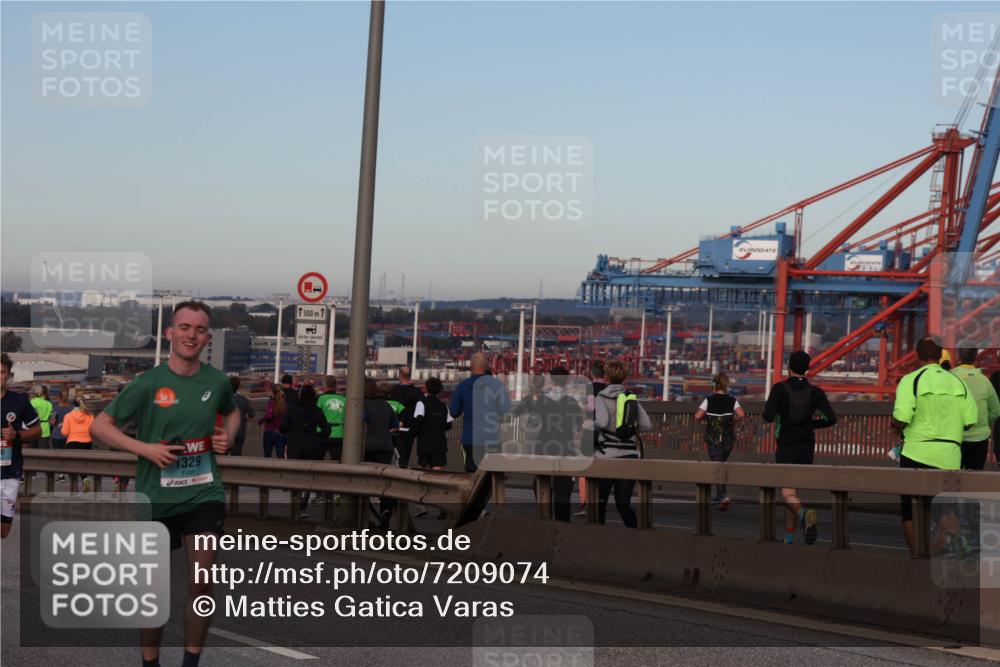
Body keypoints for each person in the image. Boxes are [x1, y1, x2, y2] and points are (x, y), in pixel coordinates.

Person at [91, 300, 239, 667]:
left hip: (204, 493)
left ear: (207, 337)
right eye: (184, 327)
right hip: (155, 496)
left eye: (200, 329)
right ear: (169, 333)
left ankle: (191, 662)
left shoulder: (217, 381)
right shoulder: (148, 384)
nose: (191, 335)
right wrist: (144, 448)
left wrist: (229, 436)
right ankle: (150, 662)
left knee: (202, 584)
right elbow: (100, 426)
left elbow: (233, 411)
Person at [892, 336, 978, 556]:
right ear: (941, 355)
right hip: (950, 455)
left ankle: (918, 557)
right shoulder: (958, 383)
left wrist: (896, 426)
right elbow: (970, 421)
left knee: (910, 512)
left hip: (916, 453)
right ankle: (943, 553)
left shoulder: (911, 380)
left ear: (917, 355)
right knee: (945, 511)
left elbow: (901, 417)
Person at [763, 350, 837, 545]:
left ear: (789, 367)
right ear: (807, 369)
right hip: (806, 446)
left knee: (787, 493)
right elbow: (832, 419)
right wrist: (812, 424)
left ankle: (804, 514)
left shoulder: (780, 389)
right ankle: (788, 537)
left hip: (786, 444)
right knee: (793, 493)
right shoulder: (816, 392)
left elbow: (768, 416)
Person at [593, 360, 650, 528]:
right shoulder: (631, 398)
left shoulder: (601, 397)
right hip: (629, 455)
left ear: (606, 377)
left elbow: (602, 422)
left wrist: (589, 424)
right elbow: (647, 425)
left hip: (607, 456)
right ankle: (637, 537)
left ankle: (597, 536)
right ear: (624, 378)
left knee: (600, 502)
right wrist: (628, 428)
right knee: (623, 503)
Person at [1, 353, 41, 538]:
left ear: (8, 374)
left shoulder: (19, 401)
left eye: (1, 372)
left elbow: (37, 430)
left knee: (4, 529)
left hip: (9, 470)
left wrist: (16, 435)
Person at [450, 352, 511, 472]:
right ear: (486, 367)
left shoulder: (463, 386)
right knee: (491, 476)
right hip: (492, 439)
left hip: (470, 440)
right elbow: (505, 408)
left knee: (472, 477)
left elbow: (453, 412)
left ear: (471, 367)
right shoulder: (496, 385)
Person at [694, 373, 745, 511]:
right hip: (729, 439)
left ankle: (722, 497)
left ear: (714, 385)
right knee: (720, 464)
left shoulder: (708, 400)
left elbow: (697, 416)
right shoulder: (732, 400)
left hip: (713, 438)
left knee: (717, 466)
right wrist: (732, 420)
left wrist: (708, 419)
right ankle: (719, 498)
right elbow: (741, 414)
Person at [281, 384, 330, 519]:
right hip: (312, 447)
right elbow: (326, 430)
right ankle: (303, 506)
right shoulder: (317, 411)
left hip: (295, 446)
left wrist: (290, 434)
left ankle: (296, 504)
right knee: (309, 478)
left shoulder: (292, 410)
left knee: (295, 476)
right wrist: (317, 437)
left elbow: (282, 427)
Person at [950, 346, 1000, 470]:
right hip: (980, 439)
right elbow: (996, 411)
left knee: (950, 479)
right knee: (974, 481)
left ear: (959, 357)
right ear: (975, 357)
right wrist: (983, 423)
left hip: (954, 437)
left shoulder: (949, 377)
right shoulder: (985, 380)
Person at [364, 379, 399, 527]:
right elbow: (395, 425)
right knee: (383, 481)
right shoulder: (386, 405)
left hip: (368, 445)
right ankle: (385, 508)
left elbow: (361, 420)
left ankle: (364, 515)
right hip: (386, 445)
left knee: (364, 481)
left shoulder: (363, 404)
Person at [576, 360, 606, 516]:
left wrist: (582, 407)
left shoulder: (590, 387)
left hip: (590, 430)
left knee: (584, 468)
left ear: (592, 374)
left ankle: (584, 503)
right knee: (600, 467)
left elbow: (591, 406)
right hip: (605, 431)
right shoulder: (609, 388)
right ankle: (600, 502)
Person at [413, 377, 452, 471]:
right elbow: (449, 425)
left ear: (426, 388)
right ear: (439, 390)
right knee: (437, 472)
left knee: (421, 469)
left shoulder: (421, 403)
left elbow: (417, 422)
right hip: (439, 444)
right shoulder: (443, 405)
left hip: (424, 443)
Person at [389, 367, 424, 468]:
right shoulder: (417, 392)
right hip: (410, 428)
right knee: (405, 454)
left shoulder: (393, 391)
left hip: (394, 427)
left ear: (399, 376)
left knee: (396, 455)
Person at [316, 375, 346, 462]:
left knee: (317, 461)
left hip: (322, 433)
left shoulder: (320, 398)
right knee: (336, 462)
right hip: (338, 433)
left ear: (325, 385)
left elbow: (316, 415)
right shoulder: (343, 399)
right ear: (335, 385)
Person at [228, 376, 254, 456]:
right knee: (236, 456)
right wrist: (244, 419)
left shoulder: (222, 399)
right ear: (238, 386)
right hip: (239, 431)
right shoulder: (243, 400)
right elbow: (251, 414)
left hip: (225, 431)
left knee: (221, 457)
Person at [259, 383, 287, 459]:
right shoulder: (285, 403)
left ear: (273, 391)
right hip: (281, 433)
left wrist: (261, 421)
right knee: (280, 456)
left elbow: (269, 415)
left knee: (267, 456)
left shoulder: (271, 402)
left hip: (269, 431)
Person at [30, 385, 54, 450]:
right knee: (44, 450)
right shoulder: (48, 404)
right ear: (43, 392)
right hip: (45, 428)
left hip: (33, 428)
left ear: (34, 393)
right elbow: (51, 418)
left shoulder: (31, 402)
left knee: (33, 450)